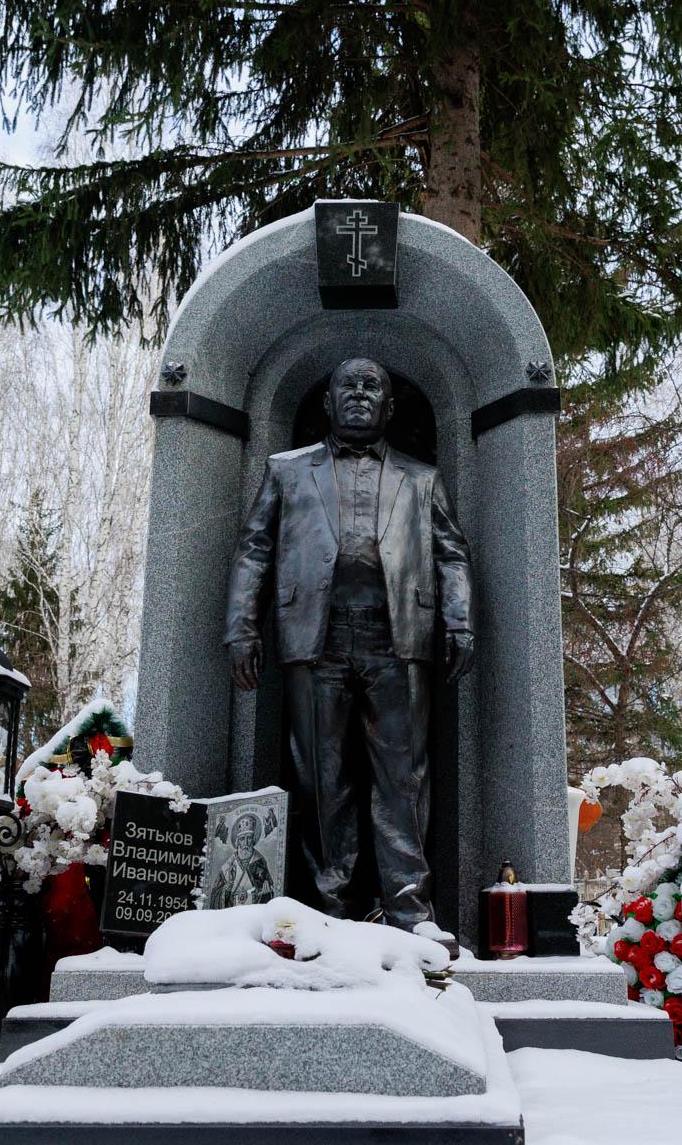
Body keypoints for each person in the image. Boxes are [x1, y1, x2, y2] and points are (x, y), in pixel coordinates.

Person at [223, 358, 473, 945]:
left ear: (389, 406)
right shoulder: (285, 471)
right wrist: (241, 628)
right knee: (322, 778)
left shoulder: (423, 477)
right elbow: (254, 549)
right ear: (328, 403)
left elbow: (451, 554)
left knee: (403, 779)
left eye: (372, 387)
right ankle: (331, 907)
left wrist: (459, 623)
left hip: (398, 636)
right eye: (348, 387)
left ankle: (411, 911)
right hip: (315, 638)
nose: (359, 395)